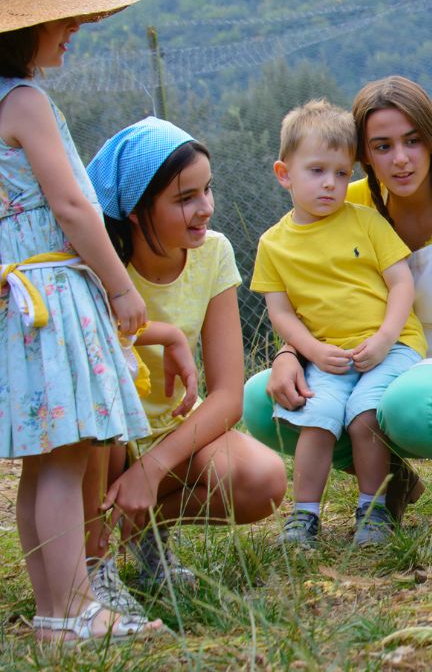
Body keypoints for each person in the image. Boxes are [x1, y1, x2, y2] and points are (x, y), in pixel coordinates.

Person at [243, 76, 432, 531]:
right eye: (382, 146)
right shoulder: (345, 201)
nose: (402, 159)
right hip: (371, 356)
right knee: (263, 400)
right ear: (362, 156)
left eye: (412, 141)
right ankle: (392, 479)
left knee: (408, 407)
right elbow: (300, 285)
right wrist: (289, 353)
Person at [0, 0, 163, 641]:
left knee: (45, 460)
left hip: (20, 302)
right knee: (66, 457)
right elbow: (72, 207)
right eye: (62, 18)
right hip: (54, 297)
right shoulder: (28, 103)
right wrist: (121, 286)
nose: (73, 31)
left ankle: (53, 607)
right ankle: (72, 608)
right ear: (25, 25)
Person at [83, 116, 286, 608]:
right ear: (135, 209)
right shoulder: (98, 263)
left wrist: (150, 471)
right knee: (102, 428)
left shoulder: (213, 253)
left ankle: (144, 531)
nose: (205, 210)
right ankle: (93, 566)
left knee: (265, 480)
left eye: (207, 190)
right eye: (184, 199)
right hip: (102, 438)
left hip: (167, 434)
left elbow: (228, 394)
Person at [252, 99, 426, 546]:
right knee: (318, 415)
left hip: (391, 348)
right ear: (284, 174)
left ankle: (375, 511)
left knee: (364, 414)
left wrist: (386, 338)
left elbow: (401, 282)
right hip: (327, 356)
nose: (331, 184)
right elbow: (281, 311)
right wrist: (309, 351)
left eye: (343, 173)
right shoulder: (273, 244)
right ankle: (304, 516)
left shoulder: (366, 223)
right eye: (316, 171)